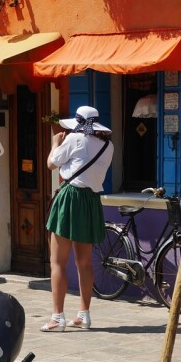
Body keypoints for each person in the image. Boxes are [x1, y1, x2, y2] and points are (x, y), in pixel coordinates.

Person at [41, 106, 114, 332]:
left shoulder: (73, 139)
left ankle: (57, 318)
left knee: (58, 261)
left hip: (70, 198)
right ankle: (84, 314)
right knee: (84, 262)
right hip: (91, 201)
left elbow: (51, 164)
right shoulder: (108, 146)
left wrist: (55, 144)